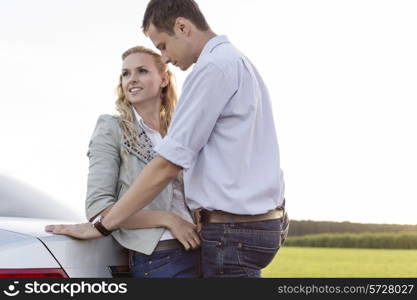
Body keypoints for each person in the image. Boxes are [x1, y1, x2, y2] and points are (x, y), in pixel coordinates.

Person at [48, 0, 289, 278]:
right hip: (227, 233)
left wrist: (102, 226)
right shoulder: (237, 62)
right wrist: (168, 219)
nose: (165, 55)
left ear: (183, 27)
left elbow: (167, 165)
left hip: (229, 232)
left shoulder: (213, 69)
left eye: (162, 45)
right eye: (125, 73)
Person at [46, 45, 200, 278]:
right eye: (126, 73)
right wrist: (169, 220)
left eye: (142, 71)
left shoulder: (181, 131)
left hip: (205, 251)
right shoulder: (112, 128)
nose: (132, 79)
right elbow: (99, 209)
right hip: (160, 258)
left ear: (164, 80)